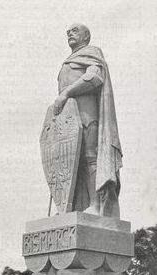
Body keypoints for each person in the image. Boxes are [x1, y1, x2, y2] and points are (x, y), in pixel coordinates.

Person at [54, 23, 122, 218]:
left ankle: (96, 205)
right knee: (69, 163)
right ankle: (69, 207)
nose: (69, 33)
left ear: (86, 37)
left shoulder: (92, 54)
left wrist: (66, 92)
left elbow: (94, 78)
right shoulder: (68, 61)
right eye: (68, 31)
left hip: (87, 115)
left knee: (89, 158)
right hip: (68, 119)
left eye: (75, 30)